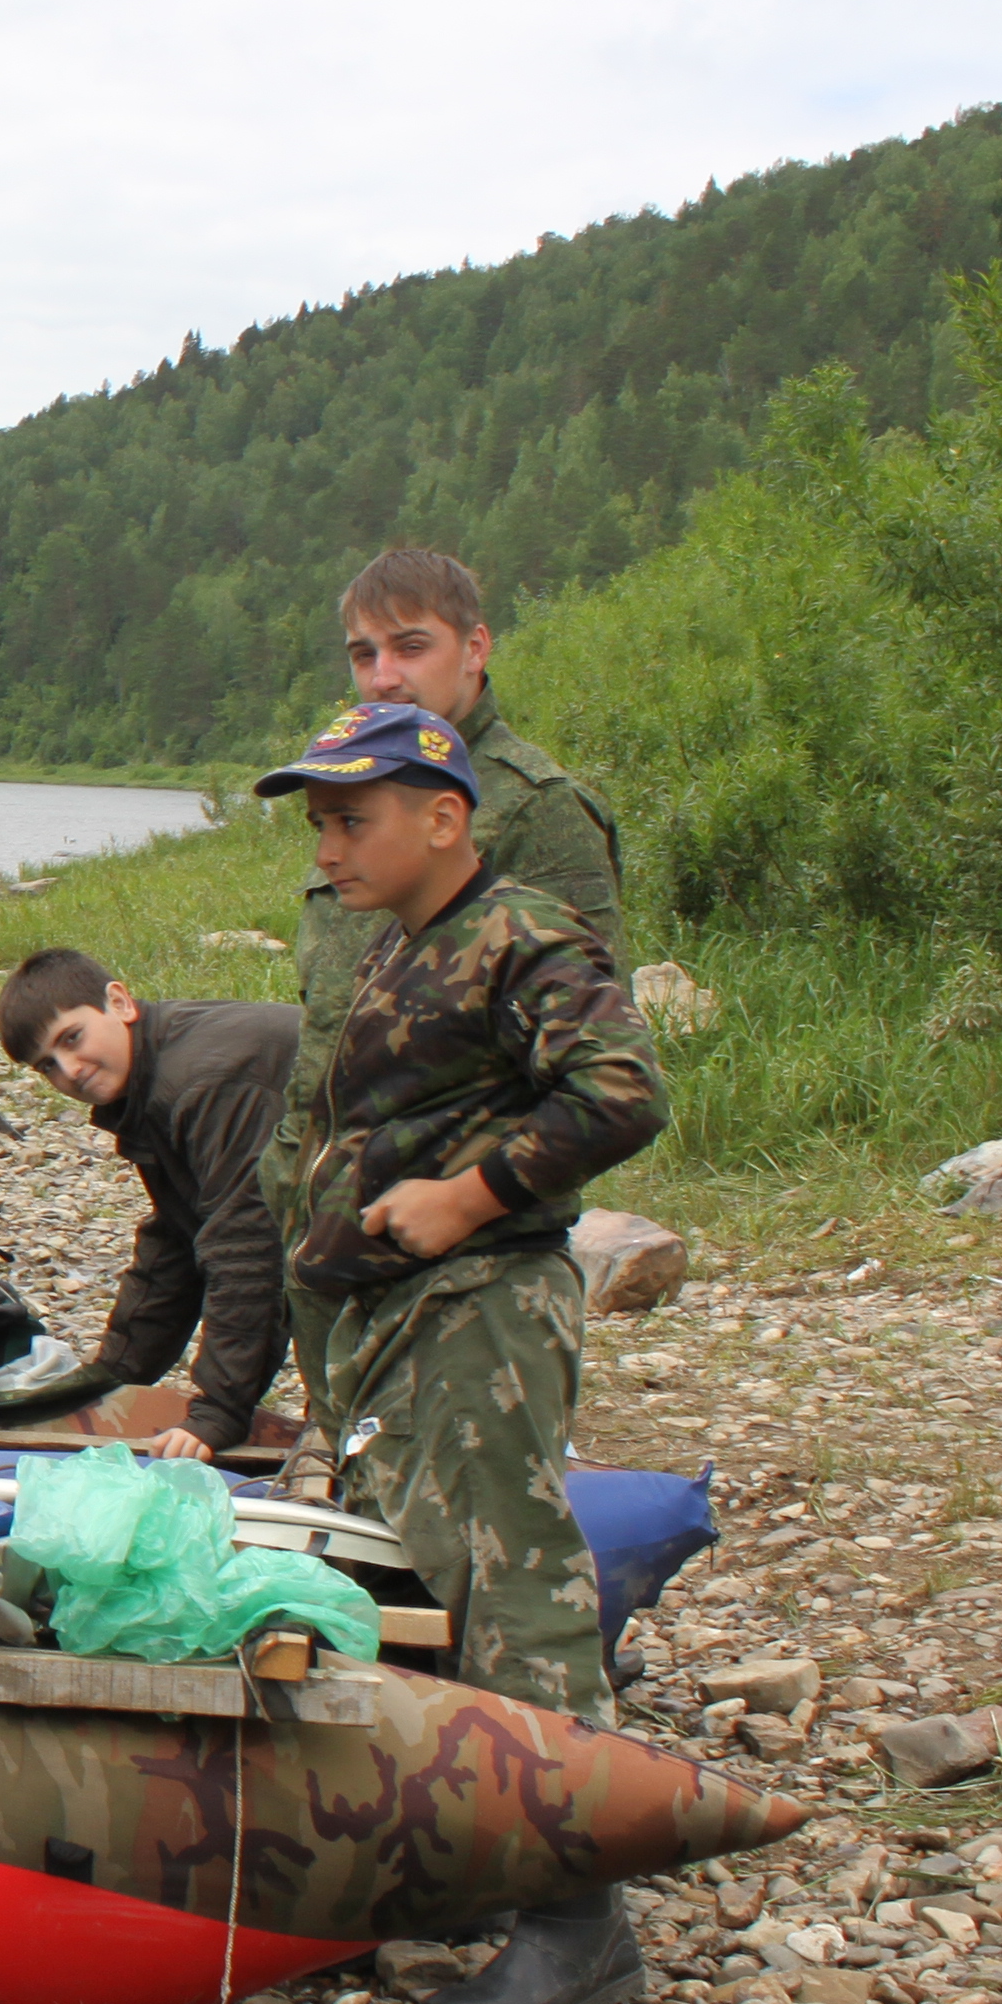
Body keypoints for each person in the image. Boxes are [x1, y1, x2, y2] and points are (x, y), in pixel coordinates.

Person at [254, 701, 664, 2004]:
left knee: (514, 1578)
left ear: (445, 817)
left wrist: (469, 1198)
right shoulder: (403, 946)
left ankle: (578, 1913)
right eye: (318, 820)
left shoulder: (519, 931)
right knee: (430, 1577)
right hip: (396, 1321)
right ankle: (478, 1853)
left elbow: (621, 1092)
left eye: (352, 817)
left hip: (477, 1310)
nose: (329, 843)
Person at [262, 548, 623, 1472]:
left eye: (410, 647)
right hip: (326, 1188)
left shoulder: (537, 810)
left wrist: (475, 1198)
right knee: (349, 1463)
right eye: (362, 653)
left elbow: (590, 1054)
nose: (383, 675)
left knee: (456, 1486)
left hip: (454, 1230)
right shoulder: (355, 792)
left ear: (475, 648)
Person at [0, 951, 299, 1462]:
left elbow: (248, 1249)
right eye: (47, 1065)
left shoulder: (203, 1082)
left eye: (72, 1038)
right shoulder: (148, 1077)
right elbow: (179, 1237)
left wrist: (220, 1413)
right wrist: (115, 1375)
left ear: (119, 1002)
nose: (70, 1070)